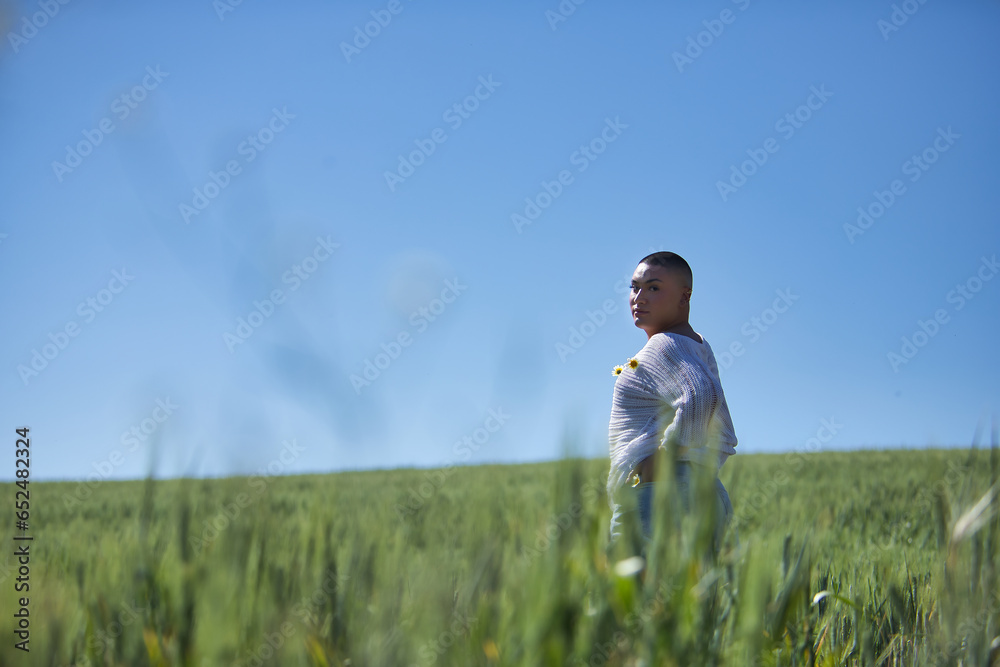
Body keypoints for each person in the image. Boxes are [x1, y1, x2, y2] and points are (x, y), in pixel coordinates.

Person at [606, 251, 737, 551]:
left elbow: (702, 397)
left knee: (645, 597)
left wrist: (664, 458)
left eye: (653, 288)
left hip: (658, 497)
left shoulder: (663, 343)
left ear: (684, 295)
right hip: (702, 491)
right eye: (634, 287)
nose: (639, 297)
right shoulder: (694, 344)